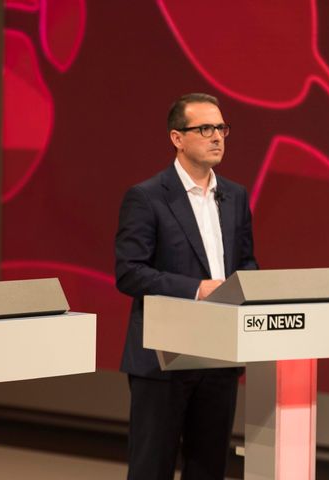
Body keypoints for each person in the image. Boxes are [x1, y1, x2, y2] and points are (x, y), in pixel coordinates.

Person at [114, 93, 258, 479]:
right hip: (164, 358)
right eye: (205, 129)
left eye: (222, 128)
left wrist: (249, 290)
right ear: (177, 138)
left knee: (208, 467)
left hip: (218, 356)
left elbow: (245, 263)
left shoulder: (236, 196)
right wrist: (198, 289)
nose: (217, 137)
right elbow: (129, 272)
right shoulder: (146, 197)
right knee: (152, 468)